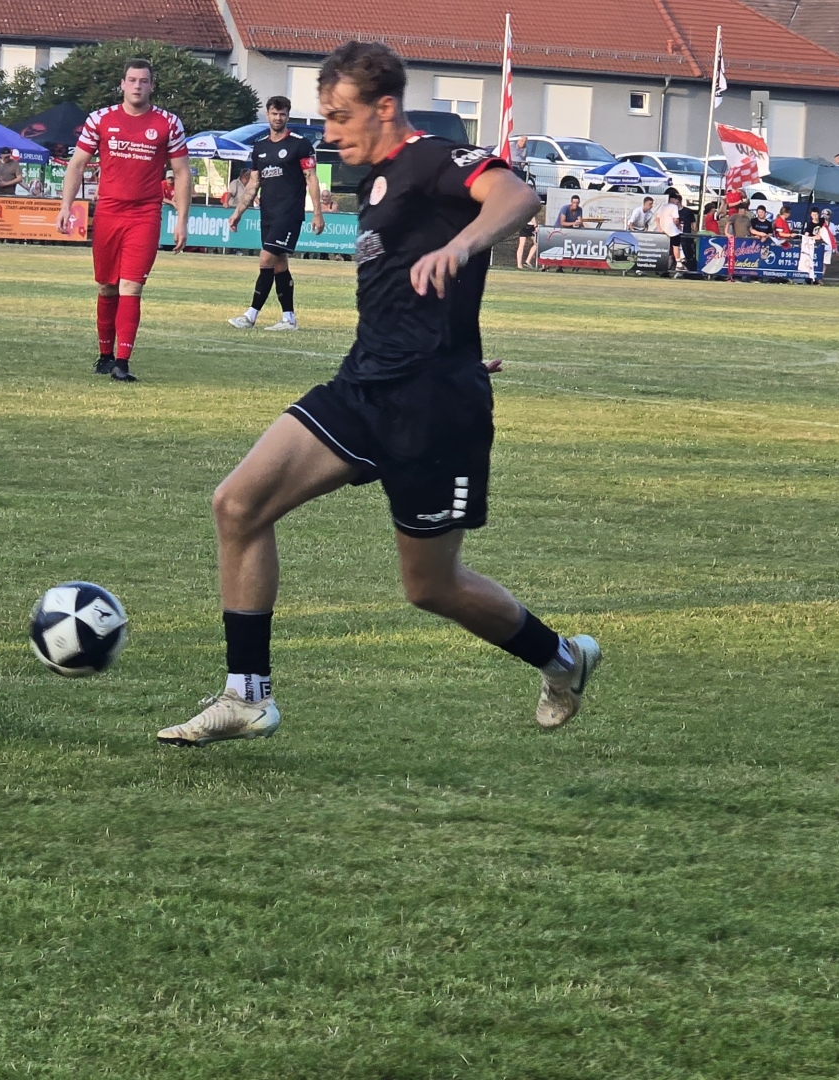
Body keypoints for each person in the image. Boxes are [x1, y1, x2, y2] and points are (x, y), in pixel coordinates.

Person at [154, 41, 600, 748]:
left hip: (434, 411)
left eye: (340, 116)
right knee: (237, 504)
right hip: (363, 387)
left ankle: (563, 660)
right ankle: (247, 695)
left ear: (385, 107)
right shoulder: (378, 180)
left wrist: (461, 248)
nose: (329, 133)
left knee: (431, 587)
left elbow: (517, 195)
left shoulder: (432, 159)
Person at [57, 57, 190, 382]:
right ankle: (105, 355)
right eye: (132, 80)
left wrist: (182, 219)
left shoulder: (168, 123)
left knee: (132, 285)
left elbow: (182, 172)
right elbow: (77, 164)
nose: (137, 86)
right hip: (108, 212)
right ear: (122, 84)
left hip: (145, 214)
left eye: (143, 81)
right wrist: (66, 206)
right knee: (107, 286)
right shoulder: (100, 119)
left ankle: (122, 361)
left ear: (152, 86)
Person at [226, 96, 326, 331]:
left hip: (289, 213)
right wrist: (238, 212)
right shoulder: (260, 147)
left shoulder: (300, 145)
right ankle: (288, 319)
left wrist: (317, 213)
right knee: (279, 264)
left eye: (282, 114)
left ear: (287, 116)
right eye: (274, 113)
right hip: (268, 213)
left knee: (266, 259)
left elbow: (311, 178)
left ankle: (250, 316)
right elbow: (253, 184)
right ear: (267, 114)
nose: (278, 118)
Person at [659, 190, 694, 277]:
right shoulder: (674, 207)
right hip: (672, 230)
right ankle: (679, 262)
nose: (677, 201)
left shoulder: (663, 206)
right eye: (675, 199)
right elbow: (675, 220)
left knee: (670, 249)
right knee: (676, 246)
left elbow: (657, 218)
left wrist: (660, 228)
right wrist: (678, 225)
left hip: (664, 230)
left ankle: (674, 264)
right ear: (671, 199)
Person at [801, 208, 836, 284]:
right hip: (813, 247)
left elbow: (828, 232)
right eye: (813, 215)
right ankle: (810, 278)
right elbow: (806, 236)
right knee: (813, 263)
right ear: (811, 215)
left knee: (823, 263)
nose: (814, 216)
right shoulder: (810, 225)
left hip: (823, 245)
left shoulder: (822, 221)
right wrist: (814, 237)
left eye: (816, 214)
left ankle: (819, 278)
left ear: (818, 214)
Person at [515, 204, 540, 269]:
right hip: (530, 226)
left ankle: (522, 264)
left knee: (534, 244)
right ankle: (524, 263)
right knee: (536, 243)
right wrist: (535, 226)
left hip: (524, 225)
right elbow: (532, 216)